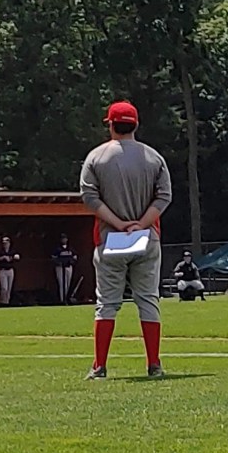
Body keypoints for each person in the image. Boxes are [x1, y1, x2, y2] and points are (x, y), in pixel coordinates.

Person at [80, 100, 172, 380]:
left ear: (110, 124)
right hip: (147, 237)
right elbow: (164, 196)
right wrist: (141, 224)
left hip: (110, 238)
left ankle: (99, 366)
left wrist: (119, 224)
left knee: (106, 303)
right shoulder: (154, 158)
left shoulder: (96, 157)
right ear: (136, 125)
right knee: (148, 300)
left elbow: (89, 197)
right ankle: (154, 364)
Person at [52, 235, 78, 304]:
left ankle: (66, 298)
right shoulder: (57, 249)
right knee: (61, 283)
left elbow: (75, 257)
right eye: (62, 238)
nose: (64, 240)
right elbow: (53, 258)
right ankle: (62, 300)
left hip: (68, 267)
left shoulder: (70, 249)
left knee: (68, 283)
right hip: (60, 268)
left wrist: (71, 262)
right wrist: (59, 262)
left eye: (65, 238)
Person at [0, 236, 20, 305]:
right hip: (2, 270)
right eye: (4, 243)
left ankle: (7, 302)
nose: (5, 245)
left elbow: (17, 257)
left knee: (9, 288)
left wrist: (13, 257)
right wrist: (3, 257)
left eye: (6, 243)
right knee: (4, 288)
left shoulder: (12, 251)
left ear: (9, 243)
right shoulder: (0, 251)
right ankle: (3, 301)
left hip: (10, 270)